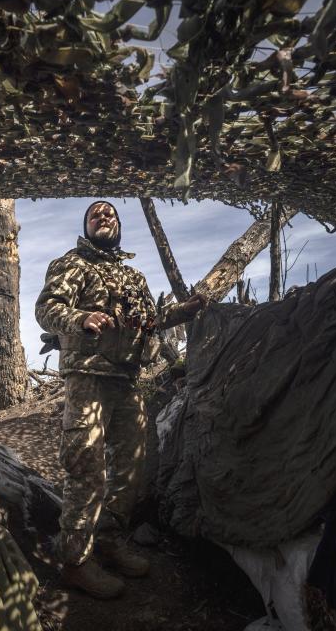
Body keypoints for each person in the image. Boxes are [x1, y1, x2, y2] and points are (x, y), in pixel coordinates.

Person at [34, 200, 205, 599]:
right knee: (85, 466)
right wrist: (81, 319)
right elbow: (47, 308)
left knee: (129, 468)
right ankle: (74, 560)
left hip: (126, 380)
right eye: (95, 214)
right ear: (87, 225)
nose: (103, 216)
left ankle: (109, 541)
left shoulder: (133, 275)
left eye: (110, 213)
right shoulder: (71, 263)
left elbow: (149, 322)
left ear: (119, 225)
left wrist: (187, 310)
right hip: (88, 378)